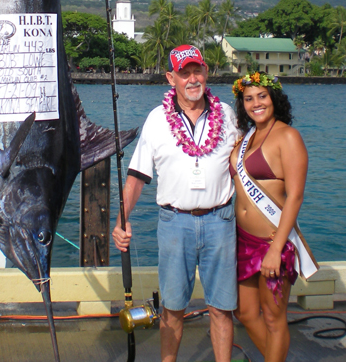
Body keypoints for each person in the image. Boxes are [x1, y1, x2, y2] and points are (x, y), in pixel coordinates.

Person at [112, 44, 240, 362]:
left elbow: (245, 167)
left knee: (222, 308)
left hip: (221, 221)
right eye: (184, 73)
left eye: (197, 71)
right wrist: (120, 222)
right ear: (172, 78)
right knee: (172, 308)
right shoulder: (157, 120)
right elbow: (136, 178)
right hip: (174, 223)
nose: (192, 79)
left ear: (206, 72)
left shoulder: (226, 114)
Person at [229, 72, 318, 362]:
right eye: (248, 98)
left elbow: (295, 196)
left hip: (271, 243)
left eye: (262, 96)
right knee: (244, 312)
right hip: (242, 240)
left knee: (273, 318)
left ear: (274, 98)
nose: (256, 103)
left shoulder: (288, 136)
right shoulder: (246, 138)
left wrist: (277, 249)